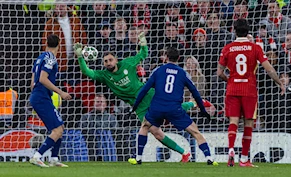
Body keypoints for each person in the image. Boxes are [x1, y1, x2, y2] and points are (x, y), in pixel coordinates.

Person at [74, 33, 196, 165]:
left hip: (148, 94)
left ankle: (190, 104)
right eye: (105, 61)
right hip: (138, 106)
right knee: (156, 132)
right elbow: (86, 72)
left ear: (116, 60)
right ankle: (184, 153)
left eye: (110, 60)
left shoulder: (127, 63)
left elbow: (143, 55)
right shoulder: (104, 76)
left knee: (170, 112)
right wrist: (80, 56)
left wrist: (142, 42)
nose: (108, 63)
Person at [131, 47, 218, 165]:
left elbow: (145, 89)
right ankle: (209, 158)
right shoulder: (183, 73)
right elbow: (195, 92)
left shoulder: (158, 70)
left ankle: (139, 157)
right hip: (175, 109)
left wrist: (135, 106)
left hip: (157, 107)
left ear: (166, 57)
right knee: (195, 132)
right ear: (179, 58)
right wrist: (202, 110)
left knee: (145, 126)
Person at [217, 19, 285, 167]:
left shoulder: (227, 48)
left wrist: (228, 79)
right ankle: (244, 158)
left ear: (234, 30)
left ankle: (230, 149)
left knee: (233, 122)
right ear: (248, 31)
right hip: (249, 90)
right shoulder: (255, 48)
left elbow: (219, 72)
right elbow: (269, 69)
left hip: (233, 89)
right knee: (248, 123)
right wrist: (279, 83)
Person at [29, 34, 72, 168]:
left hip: (38, 96)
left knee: (60, 127)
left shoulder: (40, 58)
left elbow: (32, 82)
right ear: (59, 44)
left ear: (46, 43)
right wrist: (61, 92)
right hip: (41, 97)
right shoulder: (51, 59)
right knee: (57, 130)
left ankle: (54, 158)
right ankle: (37, 156)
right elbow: (42, 78)